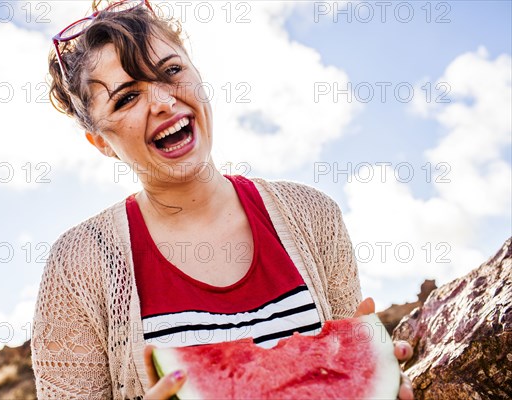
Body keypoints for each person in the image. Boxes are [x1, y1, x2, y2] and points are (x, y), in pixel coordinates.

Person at [30, 1, 415, 399]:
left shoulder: (314, 216)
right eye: (127, 98)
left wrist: (380, 380)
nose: (163, 102)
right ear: (100, 142)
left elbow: (343, 367)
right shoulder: (77, 266)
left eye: (171, 71)